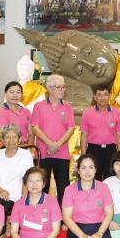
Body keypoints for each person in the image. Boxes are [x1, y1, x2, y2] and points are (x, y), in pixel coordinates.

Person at [1, 167, 62, 238]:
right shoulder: (18, 204)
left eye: (38, 181)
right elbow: (14, 231)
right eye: (30, 181)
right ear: (25, 184)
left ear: (44, 184)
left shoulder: (52, 201)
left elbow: (56, 230)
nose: (34, 184)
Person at [62, 154, 115, 238]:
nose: (87, 171)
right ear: (78, 170)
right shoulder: (70, 190)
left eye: (91, 167)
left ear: (95, 169)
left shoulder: (103, 187)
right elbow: (66, 217)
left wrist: (99, 234)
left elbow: (109, 213)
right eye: (83, 168)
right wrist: (84, 237)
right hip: (78, 229)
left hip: (99, 228)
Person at [30, 74, 76, 204]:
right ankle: (40, 212)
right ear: (49, 88)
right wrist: (50, 144)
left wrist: (57, 145)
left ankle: (63, 215)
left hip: (62, 154)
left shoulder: (68, 107)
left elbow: (71, 128)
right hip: (43, 153)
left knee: (63, 188)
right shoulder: (39, 106)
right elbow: (35, 127)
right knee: (41, 186)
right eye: (59, 87)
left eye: (63, 87)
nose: (62, 90)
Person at [0, 125, 35, 216]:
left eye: (14, 137)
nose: (11, 140)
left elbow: (28, 178)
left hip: (14, 197)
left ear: (19, 139)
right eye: (7, 137)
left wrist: (23, 200)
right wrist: (0, 191)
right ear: (3, 140)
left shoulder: (26, 155)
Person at [80, 85, 120, 181]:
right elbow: (84, 135)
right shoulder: (87, 113)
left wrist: (119, 154)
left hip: (111, 150)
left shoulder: (116, 112)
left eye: (105, 95)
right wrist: (83, 156)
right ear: (95, 97)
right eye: (99, 95)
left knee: (111, 179)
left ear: (110, 96)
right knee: (93, 179)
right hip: (93, 150)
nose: (103, 98)